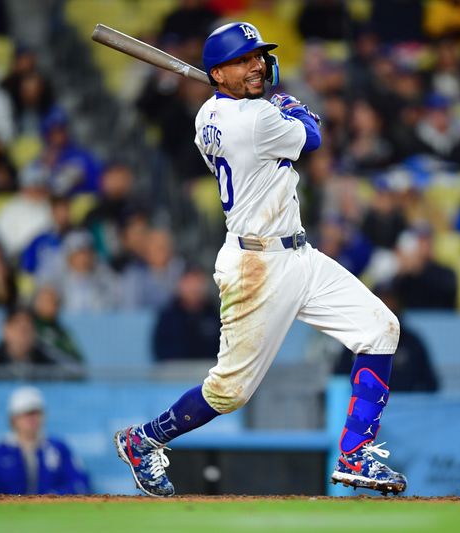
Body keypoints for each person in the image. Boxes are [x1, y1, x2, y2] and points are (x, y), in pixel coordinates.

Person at [114, 22, 405, 498]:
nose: (256, 65)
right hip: (257, 267)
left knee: (380, 328)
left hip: (297, 253)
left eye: (257, 57)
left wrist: (273, 104)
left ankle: (355, 453)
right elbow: (313, 139)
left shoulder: (210, 113)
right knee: (229, 392)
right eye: (244, 60)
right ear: (218, 73)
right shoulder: (253, 120)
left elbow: (270, 122)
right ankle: (143, 440)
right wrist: (290, 106)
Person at [0, 386, 90, 494]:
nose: (32, 418)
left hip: (51, 510)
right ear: (13, 418)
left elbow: (79, 483)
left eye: (36, 413)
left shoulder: (58, 449)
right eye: (26, 413)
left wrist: (52, 497)